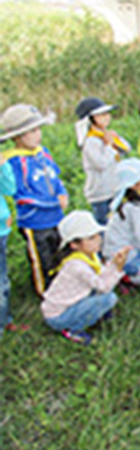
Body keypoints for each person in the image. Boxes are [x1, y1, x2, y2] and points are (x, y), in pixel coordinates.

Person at [0, 104, 69, 296]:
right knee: (41, 259)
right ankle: (44, 293)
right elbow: (18, 194)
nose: (37, 135)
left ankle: (61, 287)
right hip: (34, 220)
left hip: (56, 216)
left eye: (38, 129)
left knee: (59, 252)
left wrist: (62, 193)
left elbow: (55, 176)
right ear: (17, 136)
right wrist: (51, 203)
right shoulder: (12, 160)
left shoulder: (43, 152)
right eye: (31, 131)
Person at [41, 211, 129, 345]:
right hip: (58, 316)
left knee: (102, 296)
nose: (98, 239)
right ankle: (73, 329)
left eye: (97, 235)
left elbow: (101, 274)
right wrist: (117, 268)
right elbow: (104, 286)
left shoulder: (89, 255)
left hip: (71, 302)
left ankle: (95, 313)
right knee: (109, 298)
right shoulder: (77, 266)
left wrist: (113, 264)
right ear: (74, 244)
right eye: (91, 238)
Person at [75, 97, 131, 226]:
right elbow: (101, 164)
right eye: (101, 115)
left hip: (114, 188)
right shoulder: (91, 141)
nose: (106, 117)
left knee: (118, 225)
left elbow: (126, 148)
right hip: (100, 194)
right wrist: (108, 145)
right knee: (105, 227)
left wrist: (115, 139)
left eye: (107, 114)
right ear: (90, 119)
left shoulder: (105, 135)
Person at [103, 158, 140, 285]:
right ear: (133, 185)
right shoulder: (134, 208)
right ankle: (125, 277)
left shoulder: (132, 204)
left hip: (130, 252)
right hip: (124, 257)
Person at [0, 150, 21, 336]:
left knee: (3, 279)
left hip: (2, 230)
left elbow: (10, 189)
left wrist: (3, 166)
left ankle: (5, 319)